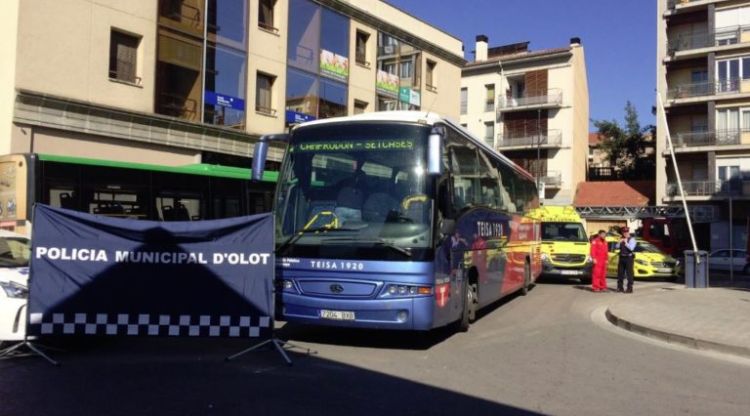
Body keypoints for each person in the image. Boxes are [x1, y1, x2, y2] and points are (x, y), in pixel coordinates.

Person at [617, 227, 637, 293]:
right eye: (624, 232)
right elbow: (616, 247)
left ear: (628, 232)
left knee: (629, 274)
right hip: (622, 257)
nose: (625, 233)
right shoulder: (621, 238)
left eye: (626, 232)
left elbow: (631, 248)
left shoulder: (632, 239)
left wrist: (626, 243)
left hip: (629, 258)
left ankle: (629, 288)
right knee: (620, 273)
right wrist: (619, 242)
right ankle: (620, 287)